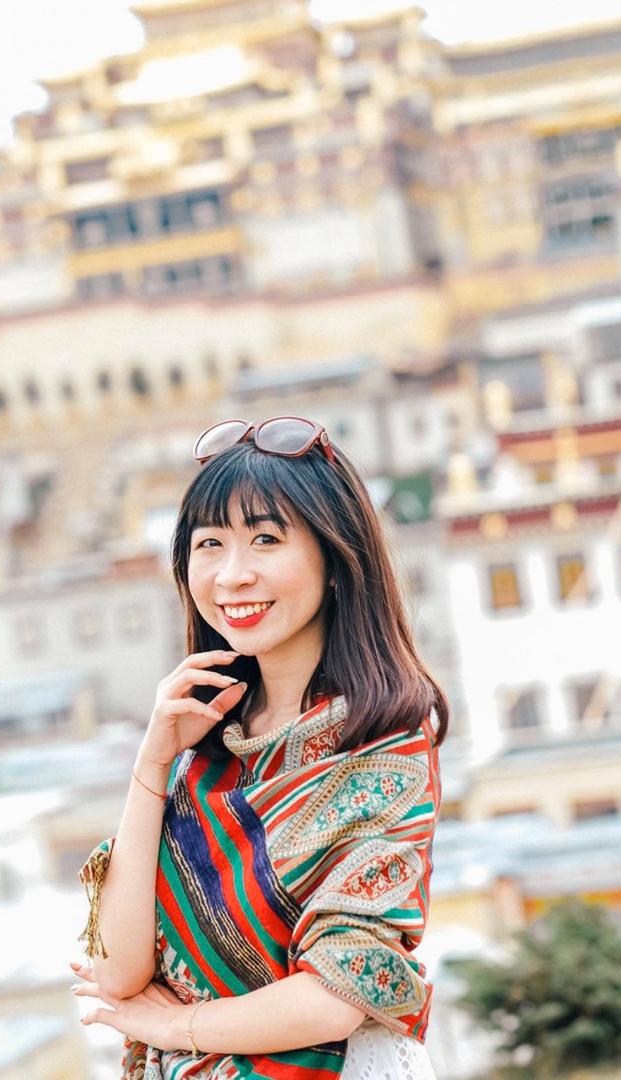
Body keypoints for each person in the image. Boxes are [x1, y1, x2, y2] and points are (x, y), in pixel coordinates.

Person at [70, 415, 448, 1078]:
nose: (232, 575)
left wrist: (174, 1026)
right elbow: (119, 971)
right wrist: (153, 762)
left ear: (336, 559)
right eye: (209, 544)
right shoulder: (206, 748)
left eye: (266, 539)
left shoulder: (382, 744)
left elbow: (339, 990)